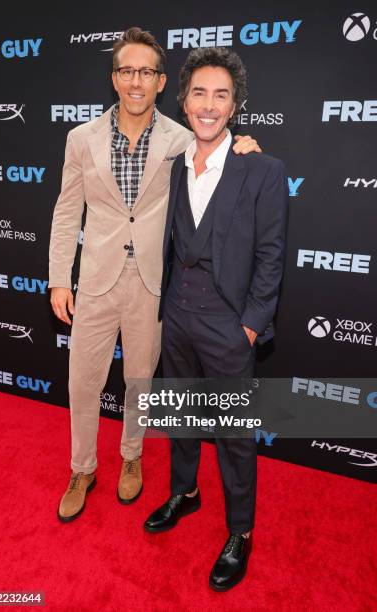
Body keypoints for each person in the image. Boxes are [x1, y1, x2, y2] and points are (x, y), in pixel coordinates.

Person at [48, 27, 261, 521]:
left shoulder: (185, 138)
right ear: (115, 78)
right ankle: (82, 467)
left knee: (140, 382)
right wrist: (60, 276)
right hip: (96, 281)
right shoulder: (80, 139)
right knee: (82, 382)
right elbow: (65, 213)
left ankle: (131, 457)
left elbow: (222, 153)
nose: (136, 81)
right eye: (127, 70)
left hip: (153, 283)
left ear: (162, 82)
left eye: (146, 71)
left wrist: (246, 146)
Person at [144, 47, 288, 591]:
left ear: (235, 105)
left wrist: (250, 324)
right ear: (182, 101)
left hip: (230, 325)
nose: (208, 105)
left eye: (220, 95)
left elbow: (272, 255)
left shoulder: (263, 170)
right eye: (198, 93)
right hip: (176, 314)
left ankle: (240, 531)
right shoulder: (175, 163)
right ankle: (185, 491)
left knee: (234, 434)